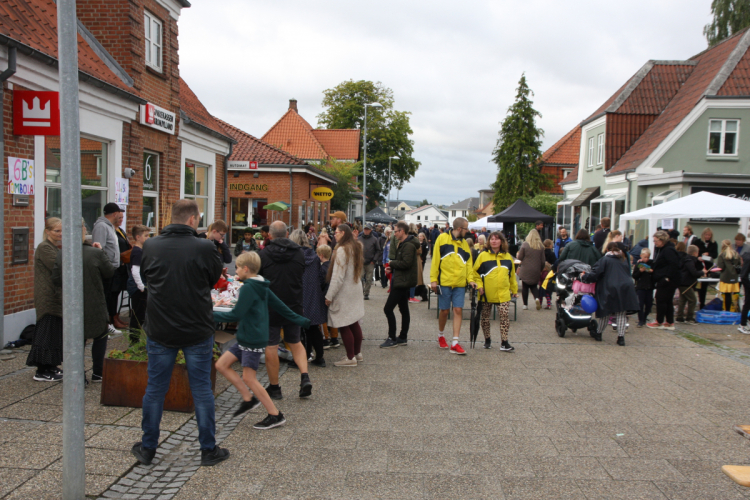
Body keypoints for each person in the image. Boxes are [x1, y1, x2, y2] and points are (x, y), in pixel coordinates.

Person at [132, 199, 228, 467]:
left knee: (155, 389)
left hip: (160, 327)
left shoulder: (151, 245)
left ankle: (148, 448)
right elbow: (213, 279)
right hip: (197, 327)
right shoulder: (205, 247)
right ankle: (208, 449)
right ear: (193, 220)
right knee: (202, 389)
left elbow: (147, 277)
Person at [214, 252, 311, 430]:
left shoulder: (249, 288)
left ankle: (275, 414)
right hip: (248, 337)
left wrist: (208, 315)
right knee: (221, 365)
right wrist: (301, 320)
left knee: (249, 378)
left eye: (237, 267)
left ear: (245, 269)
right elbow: (281, 307)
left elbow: (236, 314)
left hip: (252, 339)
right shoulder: (261, 285)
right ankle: (248, 398)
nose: (236, 270)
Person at [54, 219, 115, 383]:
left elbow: (56, 279)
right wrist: (101, 252)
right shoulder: (95, 253)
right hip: (94, 301)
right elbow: (109, 272)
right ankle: (98, 372)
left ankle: (78, 374)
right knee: (100, 335)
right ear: (84, 231)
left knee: (77, 339)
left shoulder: (62, 253)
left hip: (72, 304)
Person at [259, 221, 312, 399]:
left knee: (271, 345)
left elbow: (259, 278)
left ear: (270, 235)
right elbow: (301, 273)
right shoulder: (299, 253)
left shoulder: (263, 254)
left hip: (271, 304)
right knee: (295, 341)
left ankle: (275, 388)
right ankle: (305, 376)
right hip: (293, 302)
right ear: (287, 234)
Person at [429, 217, 475, 355]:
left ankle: (455, 343)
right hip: (445, 282)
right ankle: (441, 335)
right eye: (466, 228)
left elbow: (469, 264)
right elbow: (435, 260)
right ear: (459, 228)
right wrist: (433, 279)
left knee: (458, 310)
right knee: (444, 311)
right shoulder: (442, 238)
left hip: (460, 283)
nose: (467, 231)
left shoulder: (465, 244)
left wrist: (470, 280)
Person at [580, 242, 640, 346]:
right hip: (625, 287)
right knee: (621, 312)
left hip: (609, 287)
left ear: (607, 250)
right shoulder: (623, 259)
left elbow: (595, 274)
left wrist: (584, 276)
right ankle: (621, 338)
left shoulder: (605, 260)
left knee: (606, 312)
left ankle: (599, 334)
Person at [27, 218, 64, 382]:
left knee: (54, 333)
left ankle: (51, 365)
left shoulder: (54, 247)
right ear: (47, 231)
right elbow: (58, 266)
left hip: (55, 296)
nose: (60, 234)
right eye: (57, 231)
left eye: (62, 230)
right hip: (48, 297)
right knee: (46, 333)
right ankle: (41, 370)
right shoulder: (44, 248)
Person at [325, 224, 365, 366]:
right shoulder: (356, 247)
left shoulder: (342, 250)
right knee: (353, 322)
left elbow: (338, 277)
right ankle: (357, 353)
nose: (334, 235)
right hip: (354, 288)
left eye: (336, 232)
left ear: (342, 233)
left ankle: (350, 358)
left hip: (344, 291)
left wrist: (329, 296)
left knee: (343, 323)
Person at [471, 232, 517, 350]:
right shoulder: (483, 255)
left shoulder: (508, 257)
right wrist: (479, 285)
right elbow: (474, 273)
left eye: (496, 239)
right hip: (486, 293)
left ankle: (504, 342)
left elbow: (512, 275)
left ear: (501, 241)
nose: (494, 241)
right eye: (492, 239)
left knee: (504, 316)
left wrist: (514, 289)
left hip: (503, 293)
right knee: (485, 317)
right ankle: (487, 339)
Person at [289, 229, 327, 367]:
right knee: (313, 328)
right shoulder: (314, 257)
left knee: (299, 330)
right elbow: (320, 276)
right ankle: (320, 357)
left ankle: (301, 358)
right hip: (314, 296)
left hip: (299, 295)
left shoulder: (293, 257)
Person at [381, 222, 419, 348]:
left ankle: (392, 338)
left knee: (388, 309)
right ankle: (402, 337)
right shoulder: (404, 243)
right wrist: (392, 268)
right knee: (403, 309)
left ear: (402, 231)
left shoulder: (408, 245)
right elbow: (403, 263)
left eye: (396, 231)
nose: (394, 234)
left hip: (402, 282)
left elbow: (406, 263)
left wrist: (392, 264)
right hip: (402, 279)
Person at [92, 202, 127, 333]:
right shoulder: (101, 226)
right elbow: (98, 249)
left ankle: (108, 324)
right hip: (106, 269)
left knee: (110, 296)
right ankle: (104, 325)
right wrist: (106, 265)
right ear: (115, 214)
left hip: (113, 268)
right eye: (119, 214)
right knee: (106, 297)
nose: (120, 216)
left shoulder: (110, 226)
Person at [647, 230, 681, 330]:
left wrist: (667, 277)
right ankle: (669, 322)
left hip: (668, 279)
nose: (655, 243)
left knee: (661, 299)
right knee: (667, 300)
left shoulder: (668, 250)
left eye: (656, 241)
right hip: (666, 278)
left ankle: (659, 321)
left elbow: (674, 265)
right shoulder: (662, 249)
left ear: (662, 240)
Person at [127, 225, 150, 338]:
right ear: (137, 237)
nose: (148, 238)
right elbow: (135, 271)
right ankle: (134, 339)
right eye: (146, 236)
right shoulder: (137, 252)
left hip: (139, 286)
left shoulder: (140, 251)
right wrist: (141, 287)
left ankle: (135, 338)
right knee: (138, 315)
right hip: (137, 288)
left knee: (140, 314)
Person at [316, 245, 340, 349]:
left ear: (321, 255)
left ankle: (325, 339)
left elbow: (321, 283)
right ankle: (334, 338)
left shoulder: (321, 268)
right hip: (334, 294)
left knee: (323, 317)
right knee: (332, 316)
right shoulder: (334, 266)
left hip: (324, 294)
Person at [517, 229, 546, 311]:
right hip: (536, 269)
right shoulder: (540, 246)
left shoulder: (525, 244)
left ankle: (525, 305)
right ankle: (537, 298)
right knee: (534, 286)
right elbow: (543, 261)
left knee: (525, 286)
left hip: (525, 268)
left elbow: (520, 257)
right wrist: (540, 269)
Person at [676, 244, 704, 324]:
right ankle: (689, 317)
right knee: (693, 300)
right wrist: (702, 272)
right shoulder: (689, 261)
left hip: (682, 282)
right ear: (695, 253)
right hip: (686, 283)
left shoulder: (685, 259)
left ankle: (680, 317)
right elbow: (694, 272)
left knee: (683, 300)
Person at [695, 227, 718, 309]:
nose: (707, 236)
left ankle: (702, 303)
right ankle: (697, 302)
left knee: (704, 286)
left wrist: (708, 254)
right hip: (699, 266)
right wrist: (698, 257)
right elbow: (694, 252)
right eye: (706, 235)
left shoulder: (713, 243)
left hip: (708, 267)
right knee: (697, 285)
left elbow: (715, 255)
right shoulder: (697, 242)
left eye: (709, 235)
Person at [716, 239, 741, 311]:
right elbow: (739, 264)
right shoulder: (736, 254)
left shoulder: (722, 255)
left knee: (727, 295)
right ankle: (733, 309)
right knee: (732, 294)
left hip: (725, 277)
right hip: (734, 277)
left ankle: (727, 310)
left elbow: (721, 267)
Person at [358, 224, 382, 300]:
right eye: (365, 229)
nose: (366, 231)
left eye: (367, 229)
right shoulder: (359, 239)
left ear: (370, 230)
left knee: (369, 279)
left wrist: (374, 260)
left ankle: (366, 293)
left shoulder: (374, 239)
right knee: (360, 278)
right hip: (361, 262)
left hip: (370, 262)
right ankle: (361, 292)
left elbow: (378, 250)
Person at [632, 248, 654, 327]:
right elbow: (634, 275)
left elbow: (655, 273)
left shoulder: (652, 263)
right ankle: (640, 320)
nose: (646, 259)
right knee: (640, 304)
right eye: (645, 257)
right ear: (641, 256)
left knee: (649, 304)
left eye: (648, 257)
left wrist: (651, 272)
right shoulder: (639, 264)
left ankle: (645, 317)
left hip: (649, 287)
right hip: (640, 287)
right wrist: (640, 271)